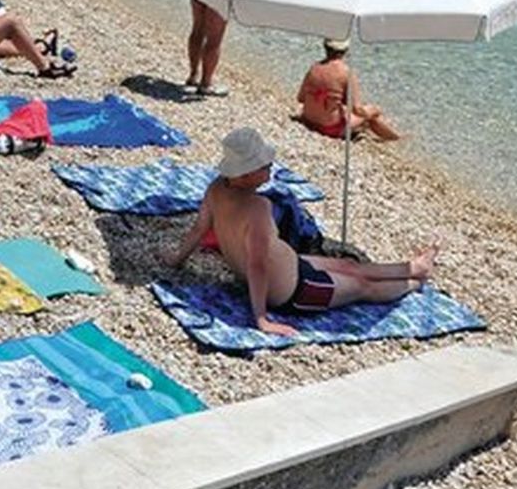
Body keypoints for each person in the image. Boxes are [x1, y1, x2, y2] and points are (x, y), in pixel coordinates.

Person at [167, 129, 436, 338]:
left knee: (350, 265)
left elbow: (199, 229)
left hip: (292, 266)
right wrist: (261, 318)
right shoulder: (258, 208)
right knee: (363, 286)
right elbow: (257, 265)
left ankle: (415, 267)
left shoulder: (216, 188)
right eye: (264, 165)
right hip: (293, 291)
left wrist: (176, 260)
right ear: (246, 174)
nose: (270, 166)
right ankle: (414, 283)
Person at [296, 39, 401, 141]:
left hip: (308, 120)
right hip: (329, 128)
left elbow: (300, 98)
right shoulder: (346, 73)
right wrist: (375, 110)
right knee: (370, 115)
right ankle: (396, 139)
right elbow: (357, 110)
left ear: (325, 47)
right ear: (345, 51)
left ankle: (391, 137)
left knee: (356, 115)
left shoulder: (314, 67)